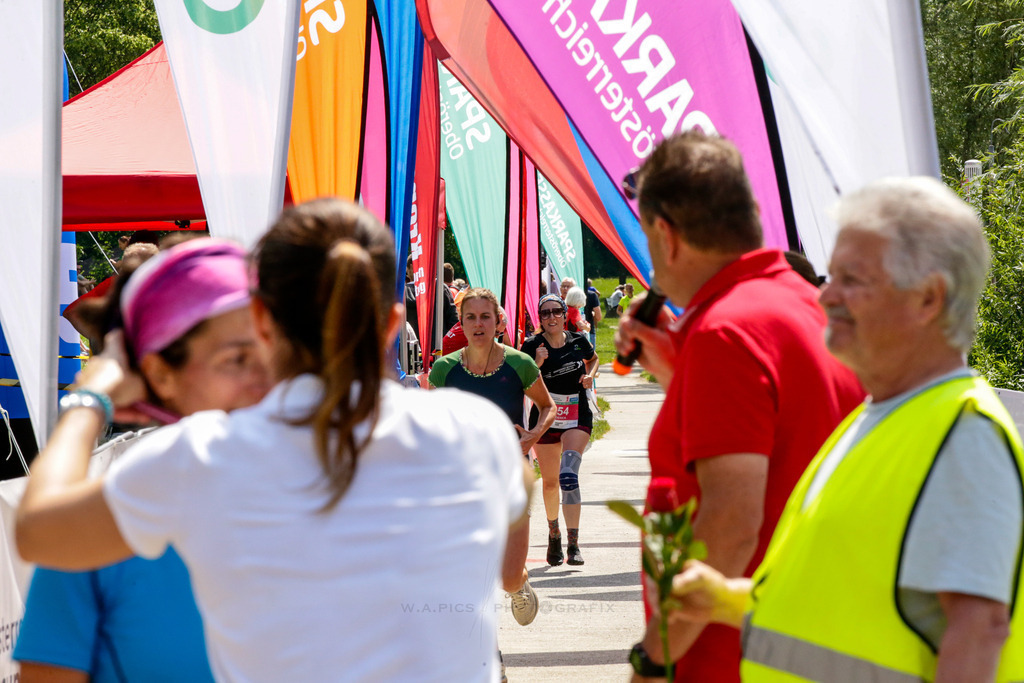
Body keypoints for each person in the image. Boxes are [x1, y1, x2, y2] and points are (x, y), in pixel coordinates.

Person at [15, 199, 529, 682]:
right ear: (393, 323)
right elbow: (513, 532)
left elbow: (36, 530)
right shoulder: (481, 431)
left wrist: (90, 398)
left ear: (260, 319)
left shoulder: (205, 455)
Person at [665, 177, 1024, 681]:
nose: (826, 295)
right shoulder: (881, 416)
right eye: (830, 275)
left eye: (852, 279)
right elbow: (842, 606)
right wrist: (726, 598)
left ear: (928, 298)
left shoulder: (965, 435)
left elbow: (978, 632)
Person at [614, 131, 863, 681]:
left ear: (666, 235)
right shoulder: (806, 304)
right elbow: (784, 433)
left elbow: (730, 525)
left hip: (730, 658)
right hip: (803, 640)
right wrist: (680, 373)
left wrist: (653, 659)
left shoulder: (725, 334)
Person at [15, 239, 269, 683]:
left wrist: (90, 400)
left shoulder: (332, 481)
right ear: (159, 374)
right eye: (237, 359)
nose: (265, 379)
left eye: (275, 349)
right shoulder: (92, 526)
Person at [429, 288, 555, 627]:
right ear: (461, 323)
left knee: (508, 577)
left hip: (512, 476)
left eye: (486, 317)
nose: (478, 324)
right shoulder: (443, 370)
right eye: (471, 317)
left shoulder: (519, 363)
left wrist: (534, 435)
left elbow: (548, 406)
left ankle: (518, 585)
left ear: (499, 322)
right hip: (465, 481)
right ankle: (486, 649)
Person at [521, 294, 599, 567]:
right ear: (540, 319)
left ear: (565, 314)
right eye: (545, 313)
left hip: (577, 415)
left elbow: (594, 359)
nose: (551, 317)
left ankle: (573, 544)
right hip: (545, 417)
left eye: (556, 311)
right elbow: (523, 383)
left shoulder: (578, 341)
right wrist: (537, 364)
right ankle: (554, 532)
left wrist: (590, 376)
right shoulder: (531, 345)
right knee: (551, 482)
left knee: (568, 475)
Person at [584, 279, 603, 347]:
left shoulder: (571, 295)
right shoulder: (592, 294)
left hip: (572, 332)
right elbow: (598, 317)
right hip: (589, 329)